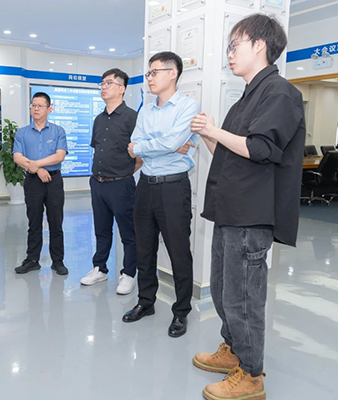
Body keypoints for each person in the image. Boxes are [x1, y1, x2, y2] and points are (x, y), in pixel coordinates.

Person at [190, 14, 305, 400]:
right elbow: (230, 154)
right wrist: (208, 135)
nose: (229, 53)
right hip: (230, 209)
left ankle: (252, 374)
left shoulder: (280, 94)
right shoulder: (246, 97)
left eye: (234, 45)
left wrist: (214, 130)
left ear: (260, 45)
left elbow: (260, 149)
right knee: (224, 292)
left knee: (244, 297)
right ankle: (233, 350)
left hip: (251, 215)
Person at [123, 51, 200, 340]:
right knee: (144, 249)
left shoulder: (188, 106)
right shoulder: (146, 109)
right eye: (149, 73)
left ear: (173, 73)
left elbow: (168, 142)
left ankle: (181, 311)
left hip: (173, 187)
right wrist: (164, 144)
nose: (150, 78)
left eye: (154, 72)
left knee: (179, 252)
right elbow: (135, 143)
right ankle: (146, 301)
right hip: (145, 185)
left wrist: (152, 145)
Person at [79, 68, 140, 294]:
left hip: (121, 184)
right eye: (102, 83)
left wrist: (123, 172)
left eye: (109, 83)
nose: (103, 87)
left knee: (128, 233)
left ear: (122, 89)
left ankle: (129, 274)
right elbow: (98, 150)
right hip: (98, 183)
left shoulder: (132, 117)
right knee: (101, 230)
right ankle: (100, 268)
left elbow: (140, 154)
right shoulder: (99, 119)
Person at [13, 92, 68, 276]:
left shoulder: (58, 131)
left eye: (40, 106)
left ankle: (57, 261)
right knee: (34, 222)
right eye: (33, 105)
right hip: (33, 182)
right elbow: (17, 157)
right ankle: (32, 260)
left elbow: (59, 156)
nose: (36, 109)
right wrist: (38, 170)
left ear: (49, 109)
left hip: (54, 181)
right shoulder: (22, 133)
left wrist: (36, 164)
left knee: (56, 222)